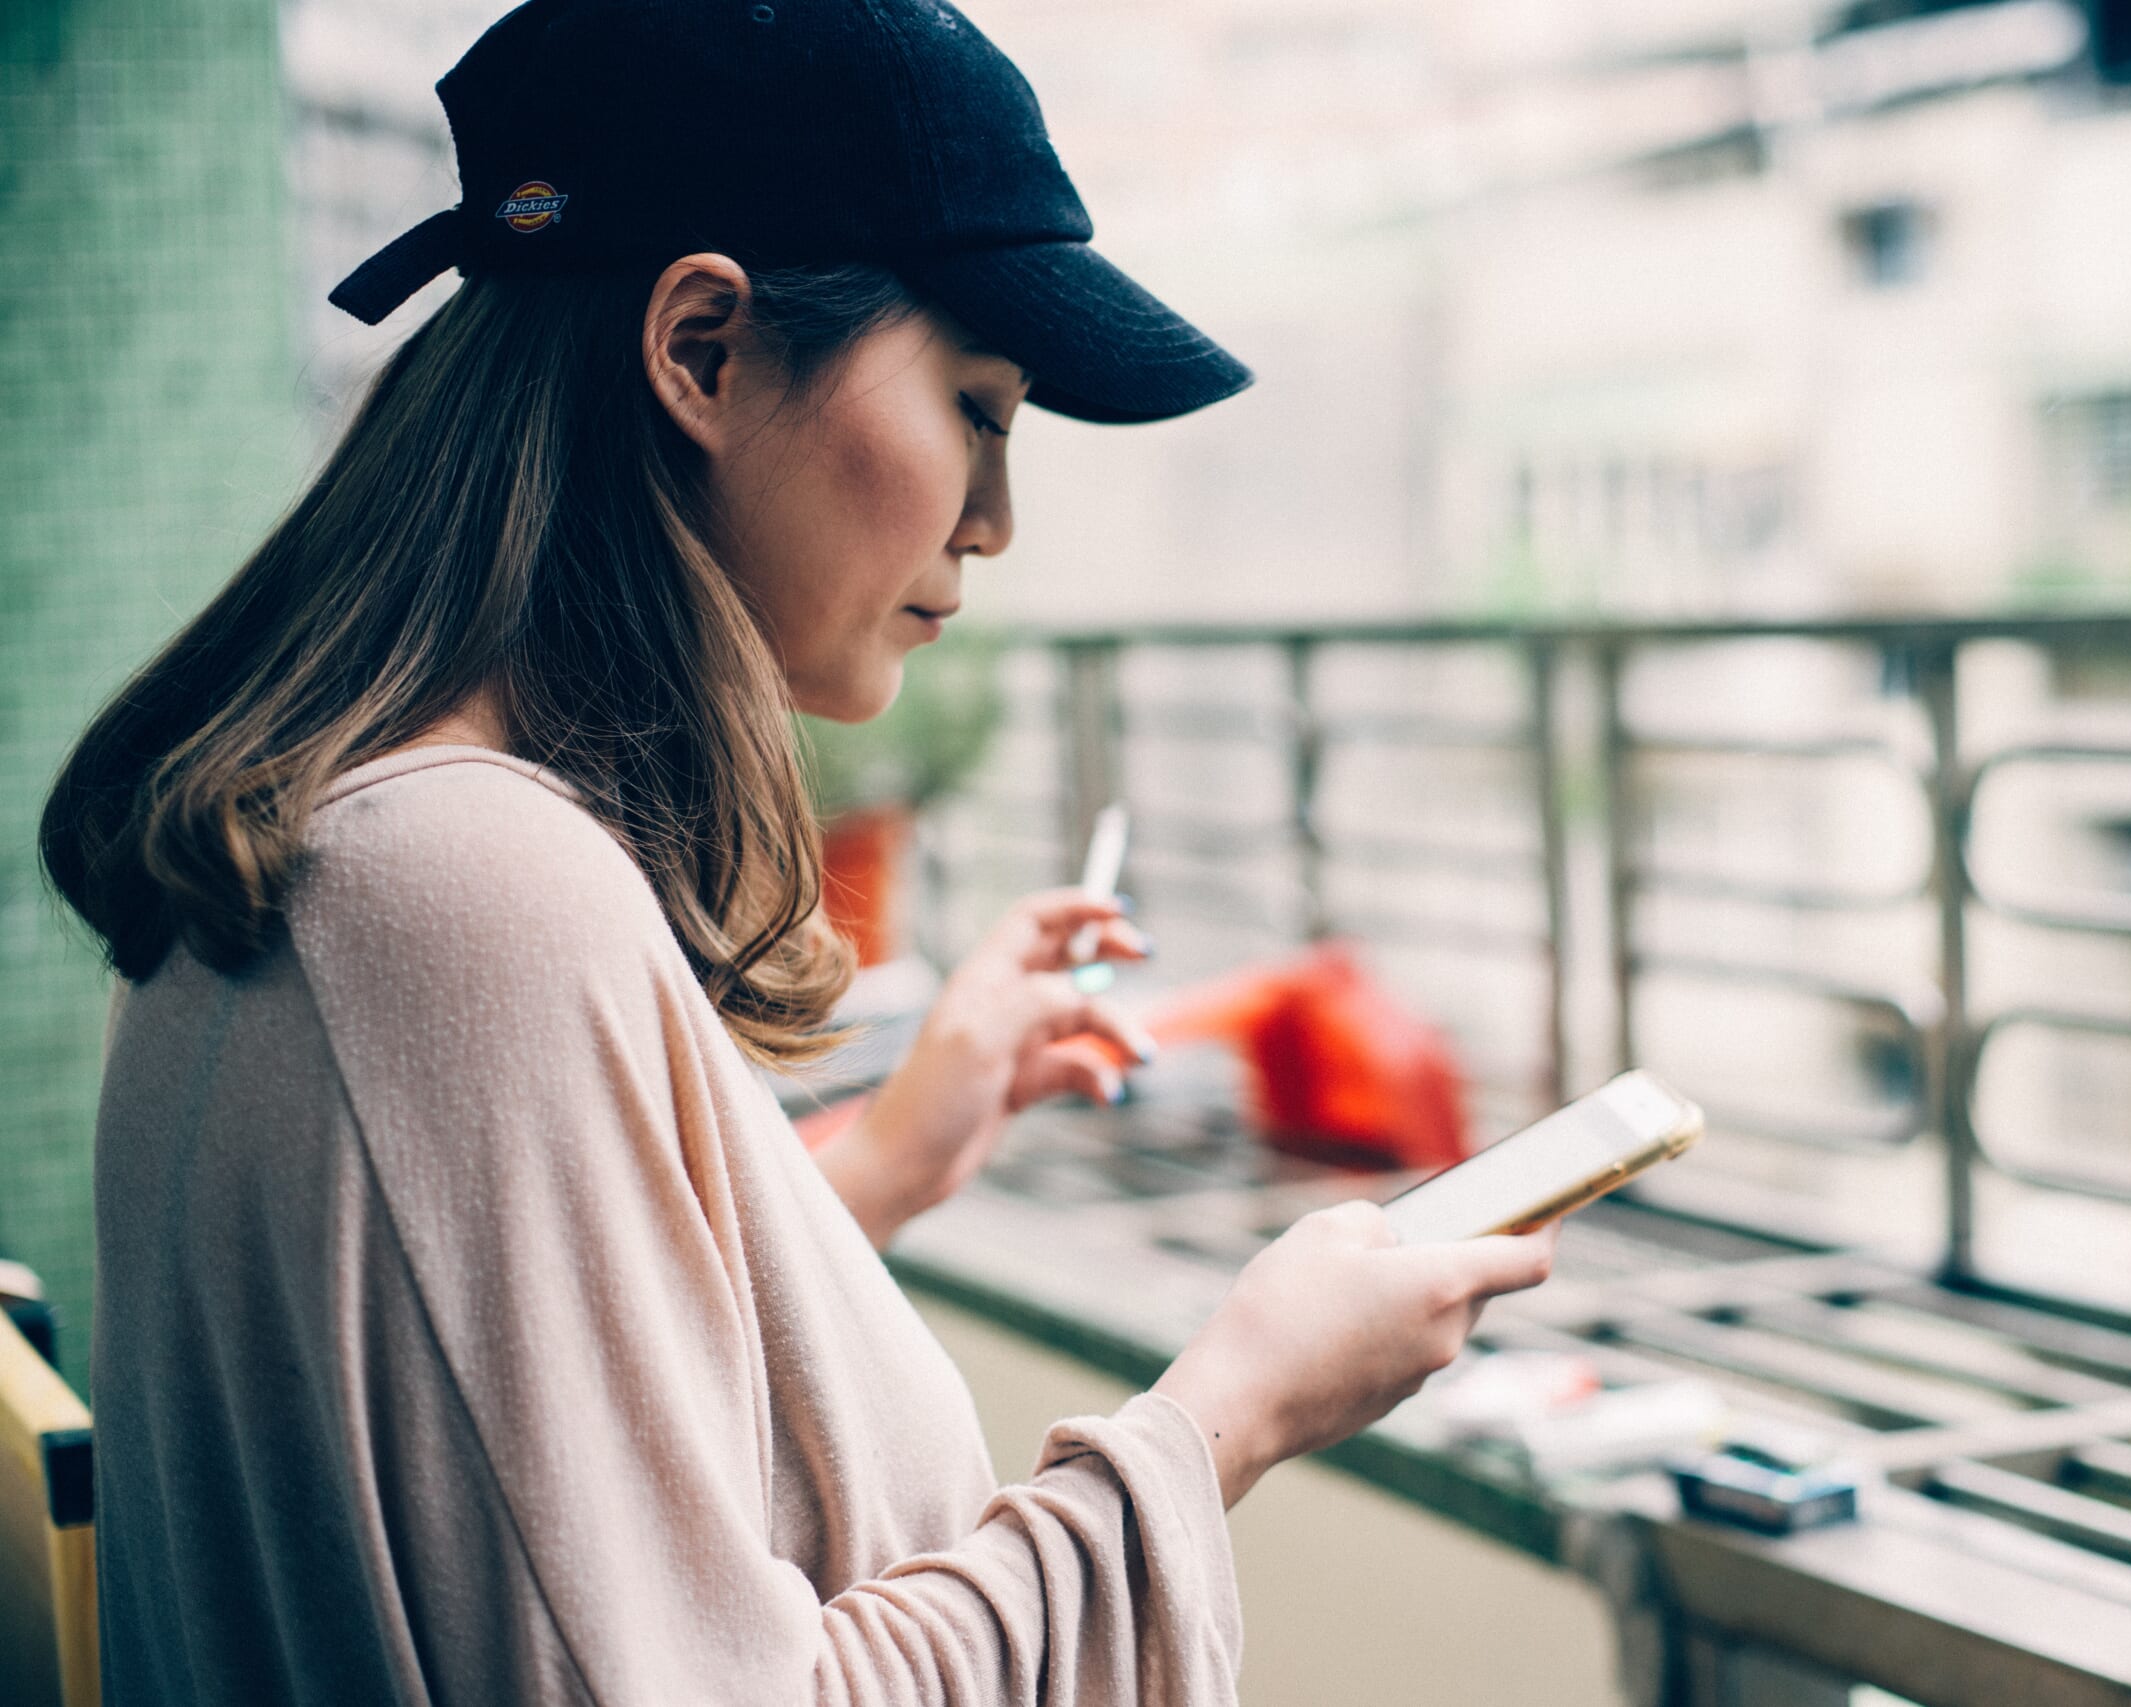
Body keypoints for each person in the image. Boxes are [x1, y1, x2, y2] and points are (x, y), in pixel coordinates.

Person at [37, 1, 1557, 1702]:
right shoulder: (463, 895)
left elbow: (523, 1422)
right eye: (977, 406)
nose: (996, 518)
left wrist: (898, 1153)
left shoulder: (323, 852)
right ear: (702, 351)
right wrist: (1233, 1411)